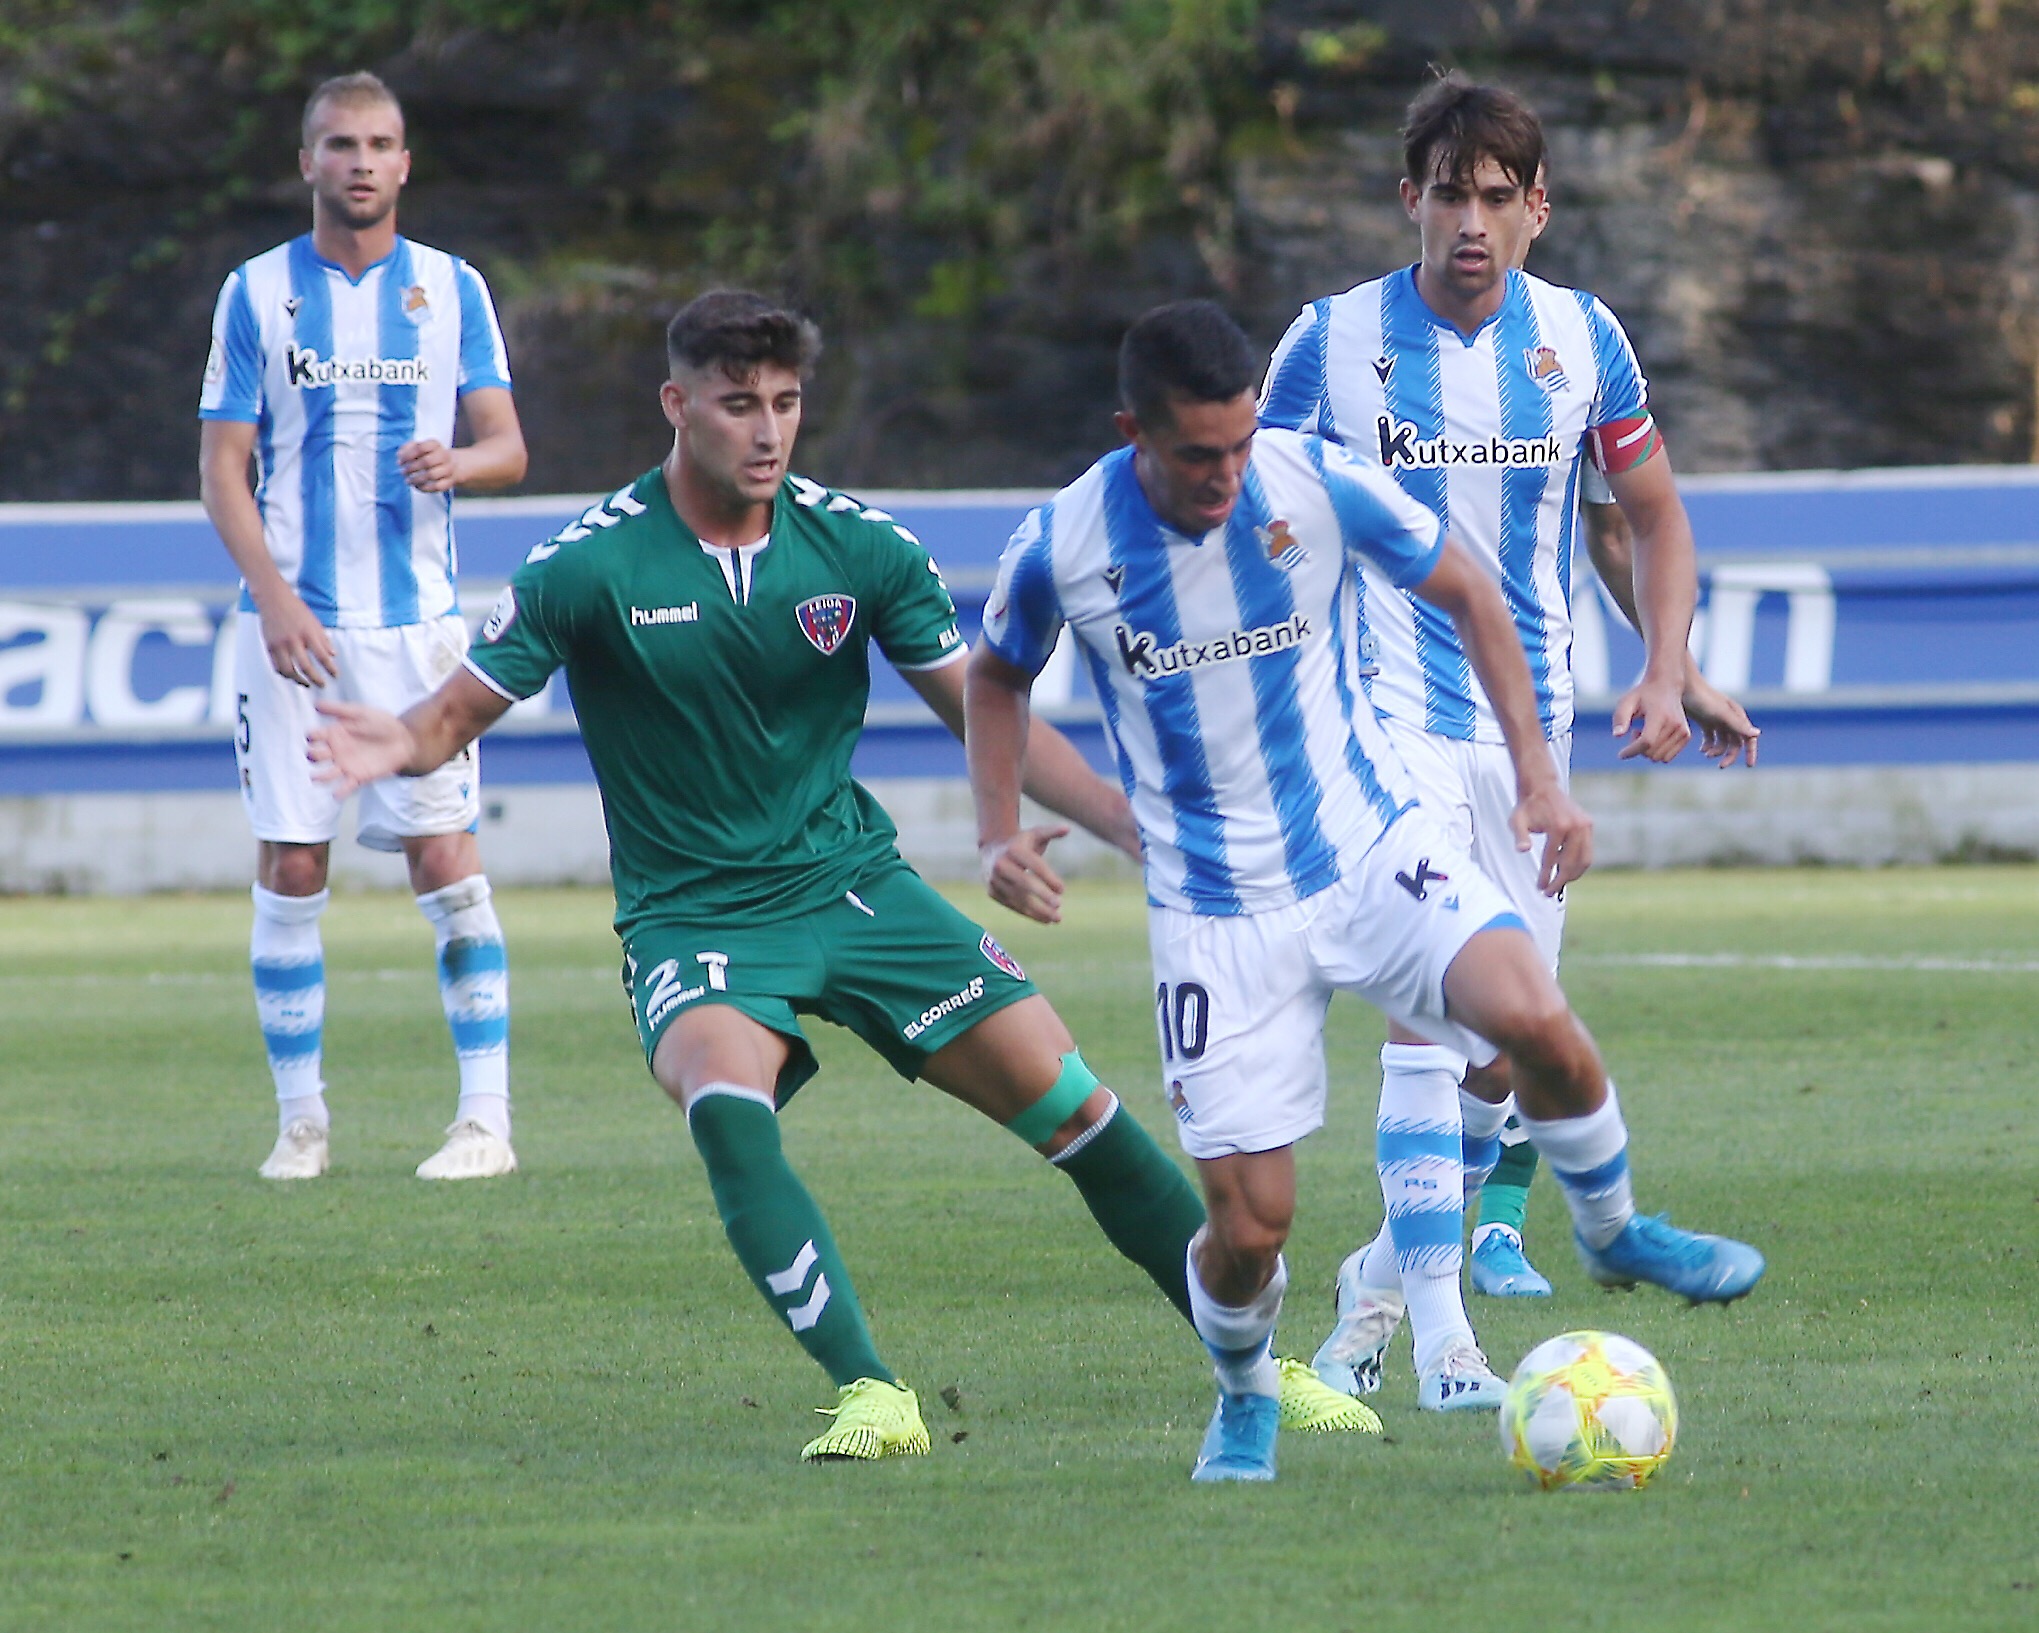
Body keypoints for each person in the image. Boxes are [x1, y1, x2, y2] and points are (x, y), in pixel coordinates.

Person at [305, 289, 1374, 1462]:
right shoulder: (590, 565)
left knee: (1073, 1103)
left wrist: (1135, 827)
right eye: (737, 404)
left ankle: (1255, 1365)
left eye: (785, 402)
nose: (766, 429)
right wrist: (393, 740)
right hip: (695, 916)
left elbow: (985, 711)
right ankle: (870, 1390)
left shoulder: (858, 548)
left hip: (855, 888)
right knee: (725, 1102)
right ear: (676, 404)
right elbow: (448, 717)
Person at [966, 298, 1763, 1482]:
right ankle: (1245, 1388)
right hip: (1217, 913)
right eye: (1198, 454)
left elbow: (1470, 591)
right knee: (1250, 1230)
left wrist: (1539, 781)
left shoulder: (1313, 483)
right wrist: (996, 831)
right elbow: (994, 676)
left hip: (1368, 847)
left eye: (1241, 443)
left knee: (1532, 1017)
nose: (1228, 475)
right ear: (1134, 431)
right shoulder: (1063, 544)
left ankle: (1609, 1232)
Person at [1256, 76, 1759, 1404]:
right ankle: (1443, 1349)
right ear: (1406, 199)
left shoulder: (1582, 339)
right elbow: (1254, 520)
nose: (1468, 221)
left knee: (1501, 1052)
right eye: (1446, 194)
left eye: (1494, 196)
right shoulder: (1327, 341)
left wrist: (1668, 665)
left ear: (1537, 207)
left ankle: (1369, 1287)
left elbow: (1645, 514)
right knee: (1430, 1028)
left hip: (1530, 737)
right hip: (1382, 728)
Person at [199, 72, 528, 1183]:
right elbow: (223, 468)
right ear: (308, 162)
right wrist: (276, 596)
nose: (361, 162)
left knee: (446, 859)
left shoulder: (453, 288)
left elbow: (508, 447)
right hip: (291, 630)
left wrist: (460, 462)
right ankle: (301, 1124)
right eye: (340, 144)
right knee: (293, 864)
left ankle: (484, 1121)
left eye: (380, 144)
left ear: (404, 164)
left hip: (417, 634)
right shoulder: (254, 292)